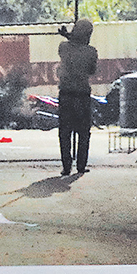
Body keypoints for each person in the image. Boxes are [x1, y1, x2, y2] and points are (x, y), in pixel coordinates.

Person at [56, 18, 99, 176]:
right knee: (83, 132)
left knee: (65, 131)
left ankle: (66, 166)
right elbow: (92, 70)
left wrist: (68, 36)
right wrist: (70, 36)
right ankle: (81, 165)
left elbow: (72, 45)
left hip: (66, 93)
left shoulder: (64, 47)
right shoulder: (91, 52)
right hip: (82, 94)